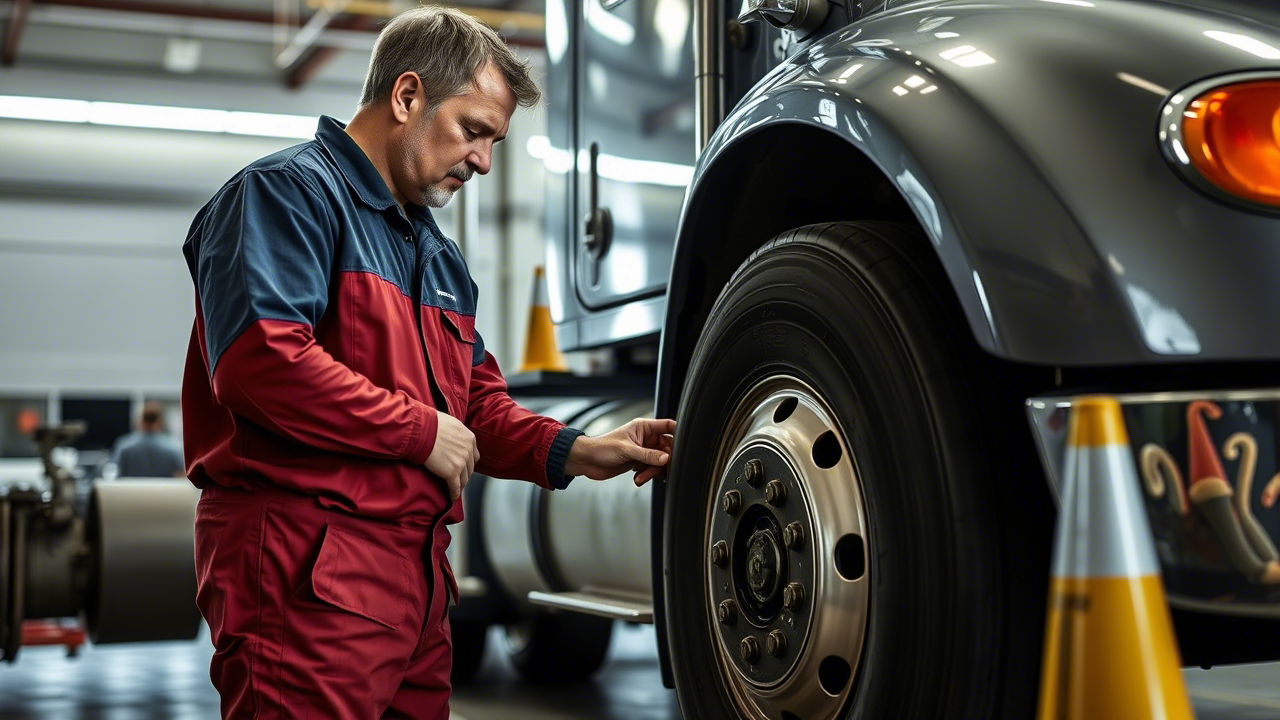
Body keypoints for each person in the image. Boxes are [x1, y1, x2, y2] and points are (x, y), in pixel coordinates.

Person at [180, 6, 675, 719]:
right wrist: (419, 430)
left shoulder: (435, 254)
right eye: (474, 131)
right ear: (407, 96)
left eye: (495, 141)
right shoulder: (286, 197)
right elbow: (262, 361)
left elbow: (474, 406)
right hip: (306, 564)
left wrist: (578, 449)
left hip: (416, 581)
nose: (483, 160)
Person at [110, 401, 183, 478]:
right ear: (159, 421)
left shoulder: (124, 445)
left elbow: (115, 473)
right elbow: (180, 475)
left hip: (132, 490)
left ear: (140, 421)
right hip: (163, 490)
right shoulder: (173, 447)